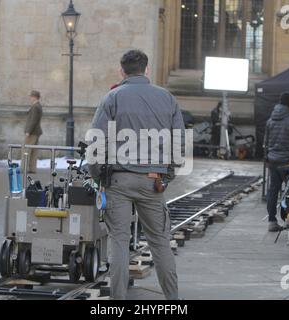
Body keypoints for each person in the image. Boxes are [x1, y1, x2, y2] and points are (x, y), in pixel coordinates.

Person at [89, 50, 185, 300]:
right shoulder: (167, 98)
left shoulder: (112, 98)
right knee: (160, 242)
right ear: (147, 70)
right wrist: (166, 176)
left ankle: (117, 302)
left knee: (119, 242)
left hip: (118, 180)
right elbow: (180, 143)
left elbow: (96, 143)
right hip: (153, 180)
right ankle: (173, 301)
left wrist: (98, 176)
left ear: (121, 72)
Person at [264, 93, 289, 232]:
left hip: (273, 161)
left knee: (273, 191)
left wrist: (267, 158)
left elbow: (265, 143)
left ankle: (271, 221)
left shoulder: (270, 120)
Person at [23, 90, 43, 174]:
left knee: (26, 150)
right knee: (34, 151)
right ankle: (32, 168)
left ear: (35, 97)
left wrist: (28, 131)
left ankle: (24, 168)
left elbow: (33, 120)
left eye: (31, 96)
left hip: (32, 132)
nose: (30, 98)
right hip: (36, 131)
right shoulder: (38, 106)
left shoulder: (35, 106)